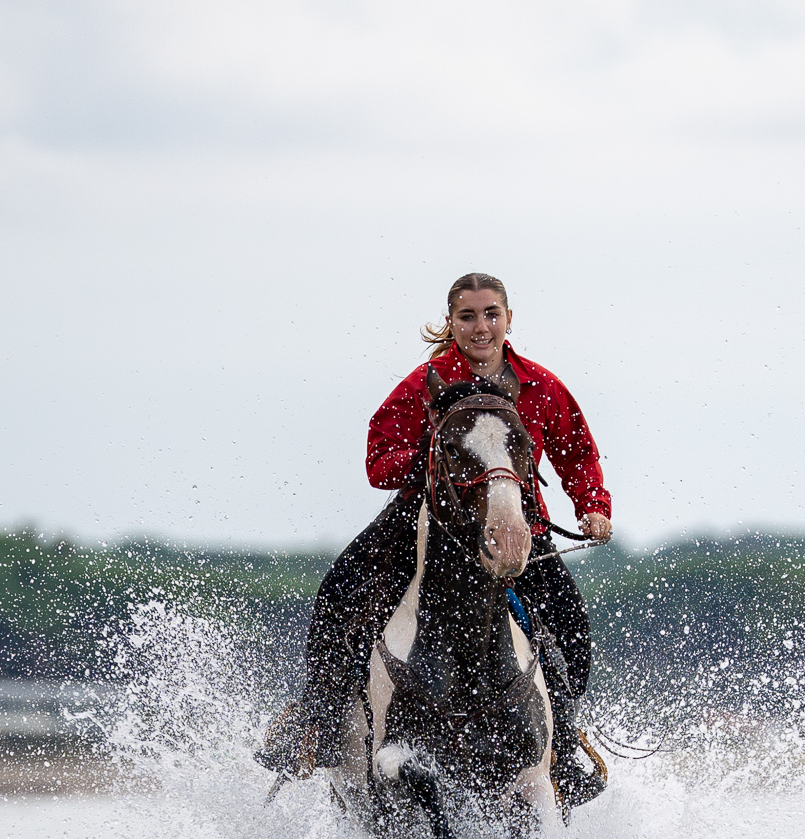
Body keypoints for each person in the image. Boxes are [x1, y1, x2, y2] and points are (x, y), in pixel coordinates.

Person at [259, 273, 612, 804]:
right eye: (467, 316)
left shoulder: (541, 385)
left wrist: (593, 507)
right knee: (338, 589)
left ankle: (561, 744)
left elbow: (577, 452)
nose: (480, 327)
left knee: (572, 629)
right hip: (424, 528)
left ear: (509, 320)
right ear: (451, 322)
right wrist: (426, 461)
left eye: (491, 314)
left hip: (516, 532)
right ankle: (316, 722)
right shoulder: (423, 383)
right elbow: (378, 461)